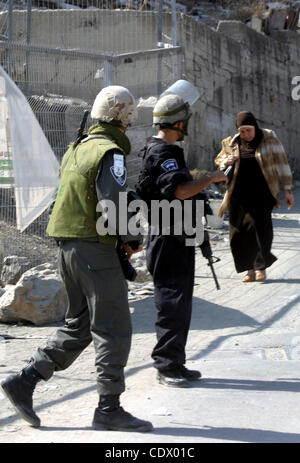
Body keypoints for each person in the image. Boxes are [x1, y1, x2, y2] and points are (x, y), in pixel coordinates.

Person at [0, 85, 153, 433]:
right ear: (123, 118)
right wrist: (131, 238)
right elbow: (112, 203)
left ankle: (25, 380)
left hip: (68, 249)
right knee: (113, 328)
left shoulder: (77, 147)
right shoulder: (110, 152)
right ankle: (109, 409)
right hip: (94, 250)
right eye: (129, 121)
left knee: (80, 326)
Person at [136, 91, 227, 388]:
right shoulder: (162, 153)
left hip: (180, 236)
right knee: (171, 304)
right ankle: (165, 365)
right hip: (167, 237)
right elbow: (179, 191)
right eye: (184, 120)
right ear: (177, 122)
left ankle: (176, 362)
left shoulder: (169, 150)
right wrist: (210, 178)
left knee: (181, 303)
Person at [214, 110, 294, 282]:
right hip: (238, 195)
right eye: (242, 131)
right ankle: (248, 269)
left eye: (248, 130)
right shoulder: (232, 143)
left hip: (262, 193)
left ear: (255, 127)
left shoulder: (269, 138)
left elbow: (281, 162)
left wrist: (287, 189)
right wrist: (226, 162)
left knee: (260, 230)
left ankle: (260, 267)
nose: (246, 134)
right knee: (238, 233)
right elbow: (219, 160)